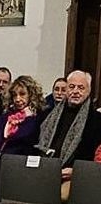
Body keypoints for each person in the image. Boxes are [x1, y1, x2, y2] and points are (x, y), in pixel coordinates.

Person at [37, 71, 101, 201]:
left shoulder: (97, 120)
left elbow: (93, 159)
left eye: (81, 87)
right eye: (71, 87)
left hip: (75, 174)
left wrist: (75, 171)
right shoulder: (48, 115)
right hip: (46, 169)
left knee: (58, 195)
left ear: (89, 91)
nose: (76, 91)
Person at [0, 75, 46, 156]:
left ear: (31, 95)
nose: (17, 99)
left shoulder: (38, 119)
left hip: (19, 164)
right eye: (14, 95)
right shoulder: (3, 117)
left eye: (22, 94)